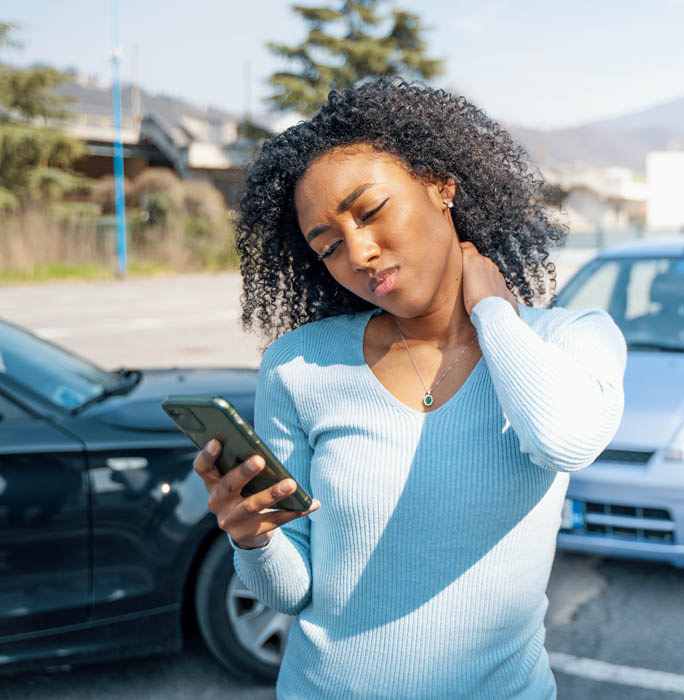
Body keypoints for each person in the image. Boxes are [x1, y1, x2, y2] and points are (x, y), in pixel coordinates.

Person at [191, 79, 626, 698]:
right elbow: (293, 591)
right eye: (330, 247)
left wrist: (494, 314)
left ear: (439, 183)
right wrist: (251, 537)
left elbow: (563, 440)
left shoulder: (571, 339)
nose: (360, 253)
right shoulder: (301, 366)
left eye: (369, 212)